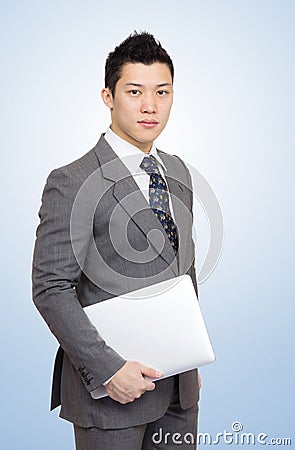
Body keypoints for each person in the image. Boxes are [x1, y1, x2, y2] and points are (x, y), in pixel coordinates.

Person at [32, 31, 200, 450]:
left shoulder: (178, 173)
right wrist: (108, 370)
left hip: (180, 391)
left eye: (162, 91)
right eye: (135, 91)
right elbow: (51, 288)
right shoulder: (71, 181)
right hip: (112, 395)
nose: (150, 105)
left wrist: (194, 357)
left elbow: (184, 270)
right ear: (108, 96)